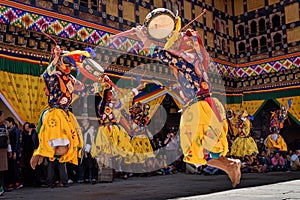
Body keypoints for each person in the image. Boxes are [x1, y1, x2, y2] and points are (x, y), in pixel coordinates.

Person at [110, 8, 241, 187]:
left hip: (200, 108)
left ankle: (231, 165)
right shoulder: (189, 63)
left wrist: (146, 41)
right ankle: (230, 165)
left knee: (200, 153)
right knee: (200, 155)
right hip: (197, 106)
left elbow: (164, 56)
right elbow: (166, 57)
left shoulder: (188, 62)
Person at [30, 45, 101, 187]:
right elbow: (46, 75)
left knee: (69, 147)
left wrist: (100, 84)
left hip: (66, 113)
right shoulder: (55, 75)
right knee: (59, 146)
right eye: (66, 61)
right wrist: (56, 58)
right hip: (55, 113)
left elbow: (84, 90)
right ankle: (41, 153)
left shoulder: (71, 79)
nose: (69, 65)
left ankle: (47, 158)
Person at [78, 118, 98, 184]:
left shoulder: (90, 130)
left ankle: (93, 178)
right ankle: (86, 178)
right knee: (85, 164)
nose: (83, 122)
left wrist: (87, 149)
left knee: (91, 164)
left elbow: (90, 140)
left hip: (90, 150)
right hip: (85, 150)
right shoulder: (84, 130)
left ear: (87, 123)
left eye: (84, 121)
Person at [5, 117, 22, 190]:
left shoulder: (16, 130)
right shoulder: (8, 130)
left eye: (7, 123)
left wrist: (15, 152)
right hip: (10, 150)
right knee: (10, 167)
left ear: (11, 122)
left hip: (15, 150)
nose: (6, 124)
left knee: (15, 167)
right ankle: (12, 181)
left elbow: (17, 142)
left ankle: (17, 181)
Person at [0, 110, 12, 196]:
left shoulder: (4, 126)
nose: (3, 118)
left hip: (3, 149)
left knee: (3, 169)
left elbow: (8, 139)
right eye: (3, 116)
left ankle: (3, 186)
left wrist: (9, 150)